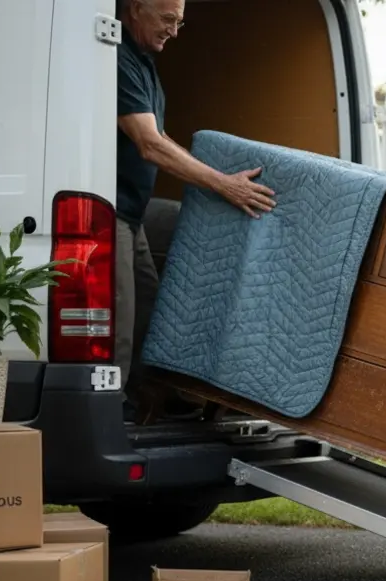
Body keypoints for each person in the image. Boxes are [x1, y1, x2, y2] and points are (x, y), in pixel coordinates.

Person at [114, 0, 276, 415]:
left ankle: (152, 404)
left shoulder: (143, 62)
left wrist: (213, 177)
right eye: (168, 19)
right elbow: (148, 144)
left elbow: (162, 137)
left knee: (152, 309)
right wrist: (223, 185)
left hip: (131, 217)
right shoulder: (117, 58)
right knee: (122, 327)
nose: (175, 31)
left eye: (179, 21)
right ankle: (115, 414)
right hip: (109, 214)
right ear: (135, 9)